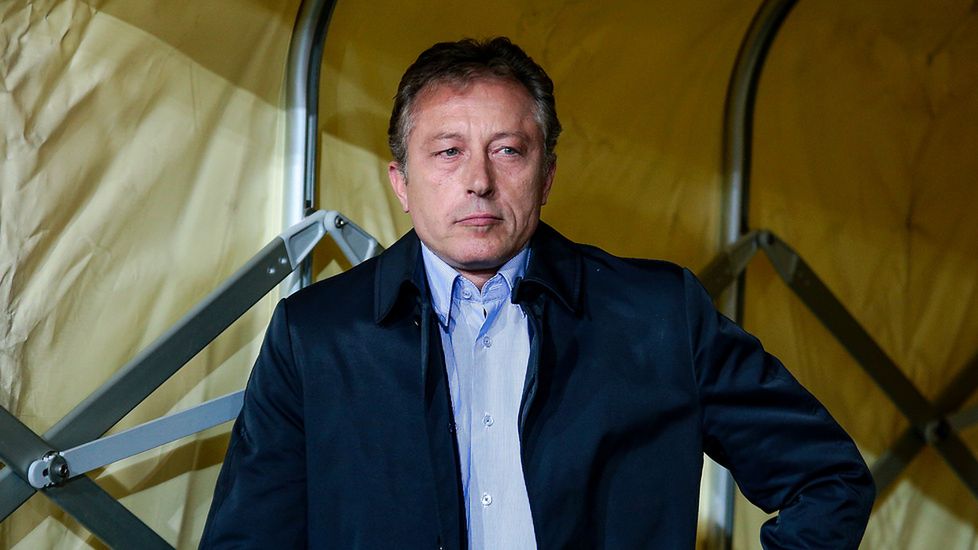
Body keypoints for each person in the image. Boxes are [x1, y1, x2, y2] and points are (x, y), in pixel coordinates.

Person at [201, 37, 875, 549]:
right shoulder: (316, 336)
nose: (478, 181)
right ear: (400, 182)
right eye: (447, 152)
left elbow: (827, 479)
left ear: (547, 175)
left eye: (508, 150)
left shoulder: (657, 315)